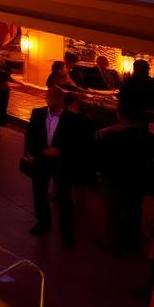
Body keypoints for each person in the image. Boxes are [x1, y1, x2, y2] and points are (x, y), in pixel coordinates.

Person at [24, 90, 90, 247]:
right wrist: (41, 151)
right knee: (39, 191)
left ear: (61, 102)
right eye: (48, 98)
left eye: (52, 98)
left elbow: (78, 143)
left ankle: (66, 230)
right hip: (42, 159)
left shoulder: (73, 119)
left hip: (62, 162)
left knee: (64, 195)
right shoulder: (37, 114)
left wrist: (61, 151)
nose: (49, 101)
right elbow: (31, 136)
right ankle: (43, 222)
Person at [96, 99, 154, 254]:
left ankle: (113, 244)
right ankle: (133, 243)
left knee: (113, 212)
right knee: (134, 210)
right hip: (138, 180)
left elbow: (101, 157)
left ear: (120, 115)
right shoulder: (150, 137)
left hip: (114, 180)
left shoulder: (110, 136)